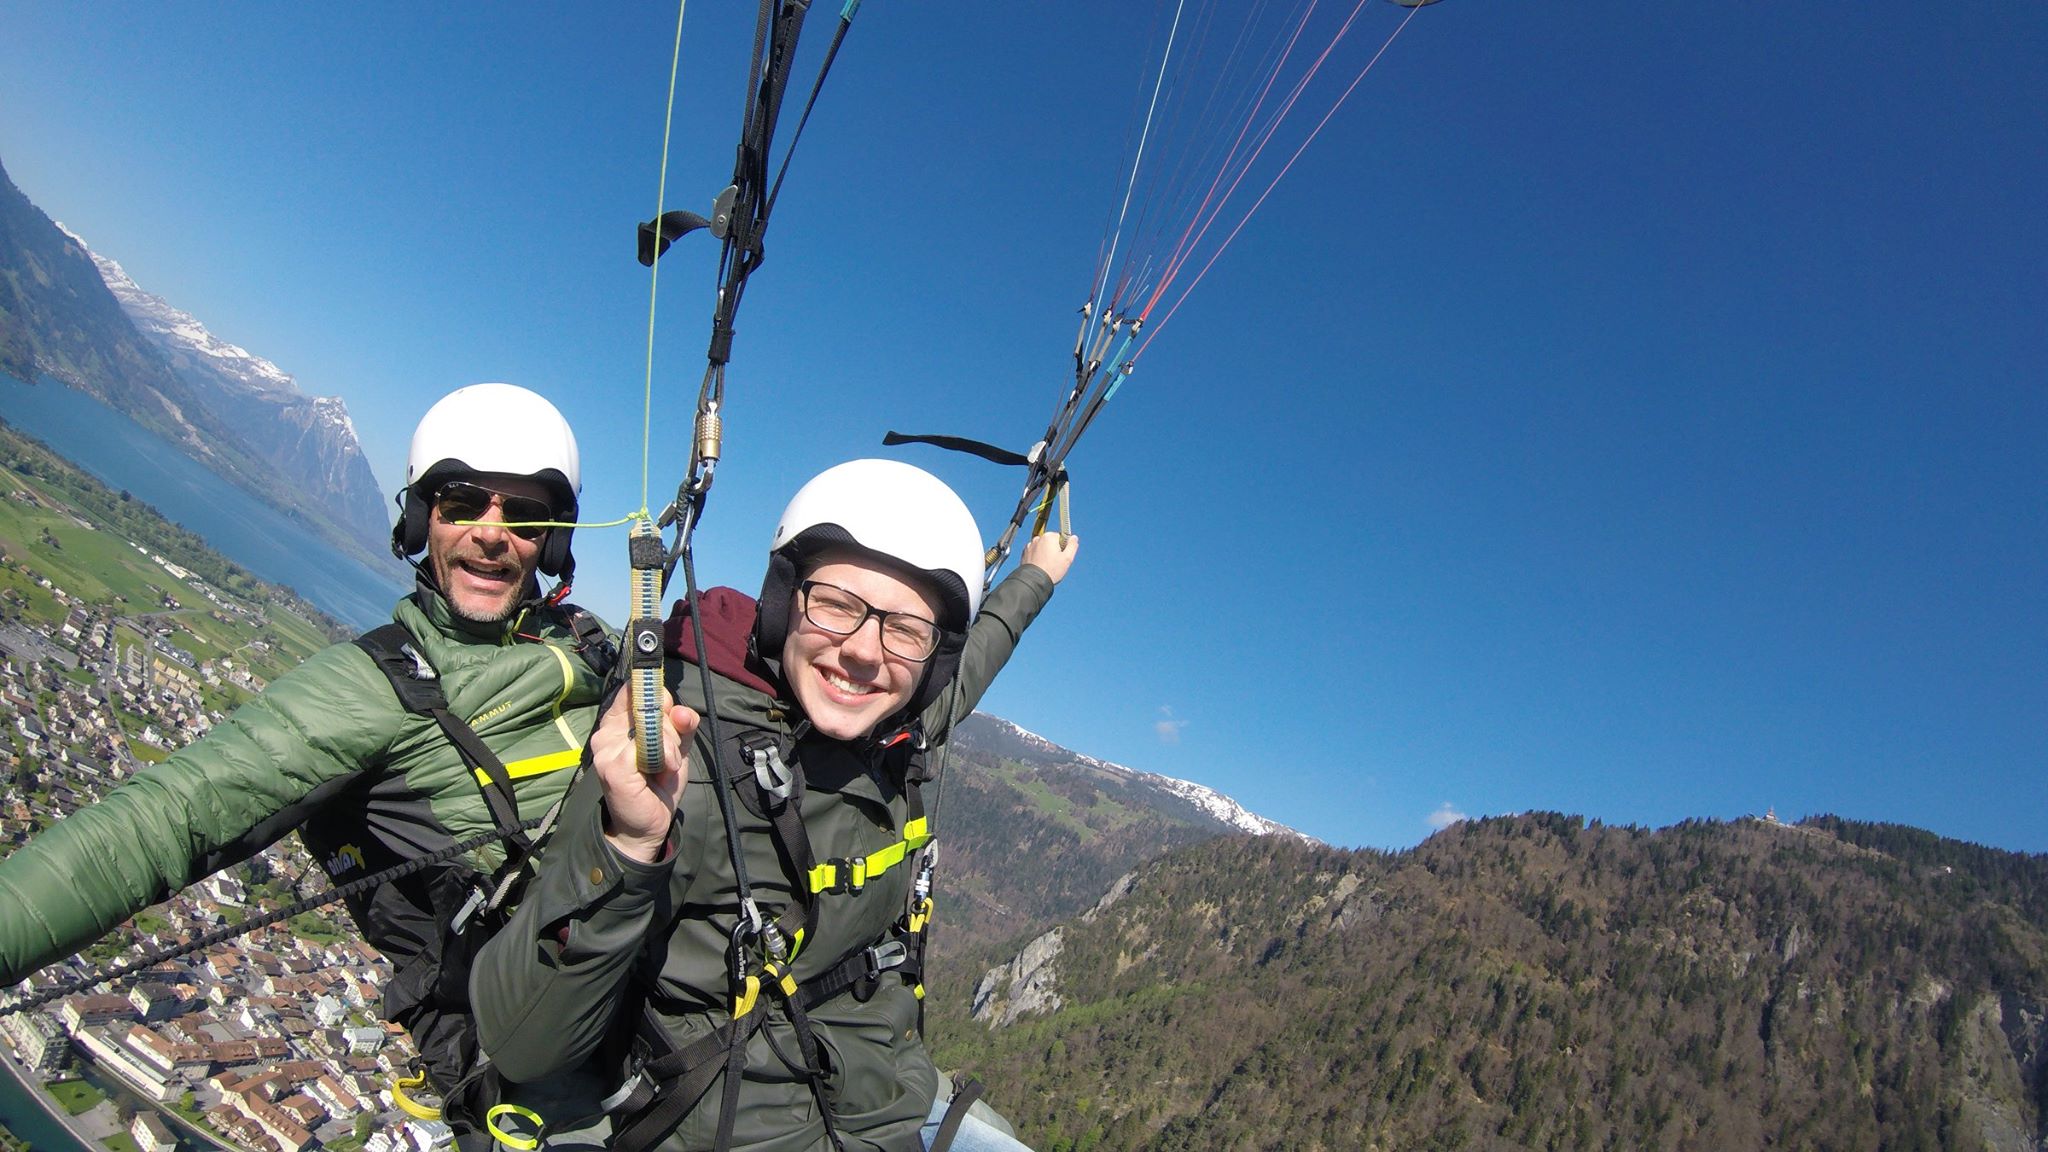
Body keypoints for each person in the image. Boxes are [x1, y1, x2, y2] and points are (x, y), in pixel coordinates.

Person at [0, 382, 611, 1140]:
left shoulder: (588, 642)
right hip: (558, 1078)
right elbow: (168, 817)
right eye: (462, 503)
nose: (493, 534)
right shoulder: (374, 687)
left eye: (523, 517)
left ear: (551, 542)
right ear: (422, 518)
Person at [470, 459, 1078, 1152]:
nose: (864, 653)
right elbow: (521, 1044)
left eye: (906, 629)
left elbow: (975, 661)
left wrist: (1037, 575)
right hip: (741, 1120)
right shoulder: (685, 766)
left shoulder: (893, 729)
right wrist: (630, 843)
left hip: (877, 1099)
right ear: (787, 601)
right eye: (838, 605)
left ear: (930, 660)